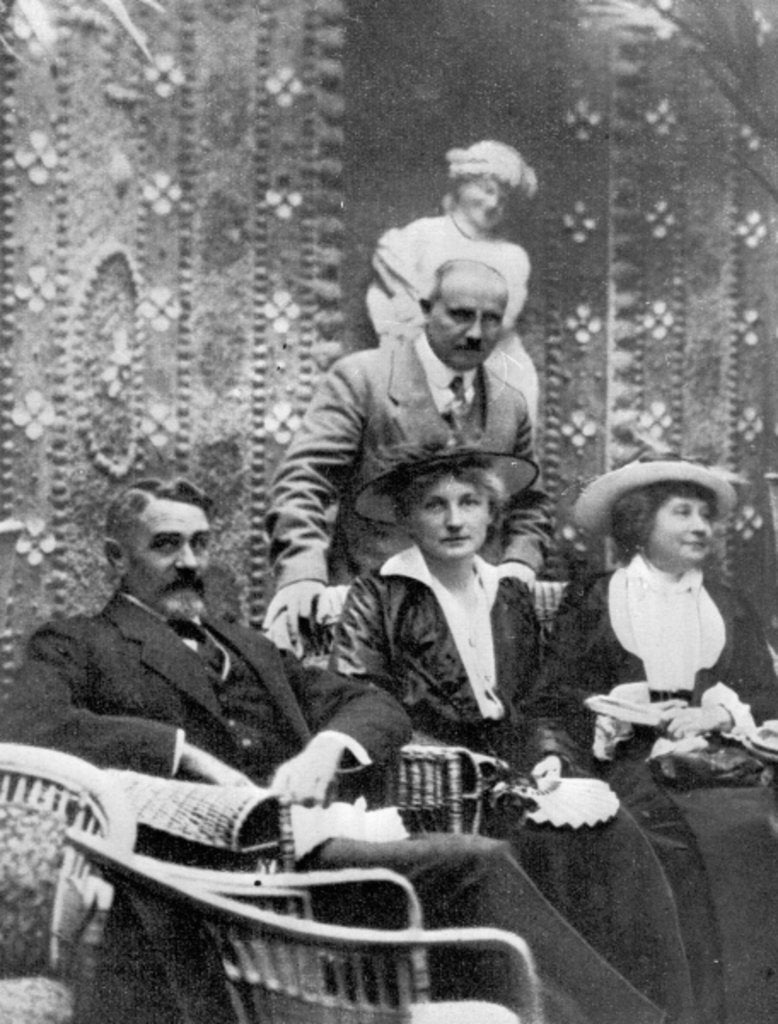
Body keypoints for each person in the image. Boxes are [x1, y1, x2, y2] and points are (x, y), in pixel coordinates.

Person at [3, 477, 668, 1024]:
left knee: (490, 932)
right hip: (201, 870)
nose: (190, 563)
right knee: (477, 865)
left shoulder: (248, 646)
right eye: (166, 545)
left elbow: (375, 705)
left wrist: (327, 747)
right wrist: (184, 754)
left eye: (201, 544)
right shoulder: (77, 644)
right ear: (117, 558)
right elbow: (27, 725)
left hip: (306, 850)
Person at [329, 443, 698, 1024]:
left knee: (618, 836)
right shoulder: (379, 594)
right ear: (407, 517)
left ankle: (669, 1008)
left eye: (469, 502)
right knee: (543, 850)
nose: (454, 520)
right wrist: (460, 764)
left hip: (518, 774)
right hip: (431, 787)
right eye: (434, 505)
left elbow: (539, 703)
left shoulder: (512, 594)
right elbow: (360, 699)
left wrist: (549, 758)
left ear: (491, 513)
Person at [533, 452, 778, 1024]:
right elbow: (557, 695)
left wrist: (716, 717)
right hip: (631, 764)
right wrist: (615, 711)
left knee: (755, 828)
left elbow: (766, 697)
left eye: (705, 516)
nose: (700, 527)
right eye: (682, 513)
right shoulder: (596, 598)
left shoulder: (726, 603)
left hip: (727, 761)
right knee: (672, 841)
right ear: (642, 523)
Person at [264, 258, 551, 656]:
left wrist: (519, 564)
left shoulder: (509, 403)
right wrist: (301, 575)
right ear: (425, 308)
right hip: (373, 614)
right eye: (461, 315)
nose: (475, 333)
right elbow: (303, 483)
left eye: (491, 320)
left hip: (474, 620)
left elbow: (530, 507)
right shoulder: (362, 379)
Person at [367, 139, 541, 421]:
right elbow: (384, 294)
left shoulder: (512, 257)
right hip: (420, 357)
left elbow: (501, 319)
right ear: (462, 185)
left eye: (504, 200)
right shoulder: (420, 236)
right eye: (487, 190)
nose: (493, 203)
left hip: (492, 363)